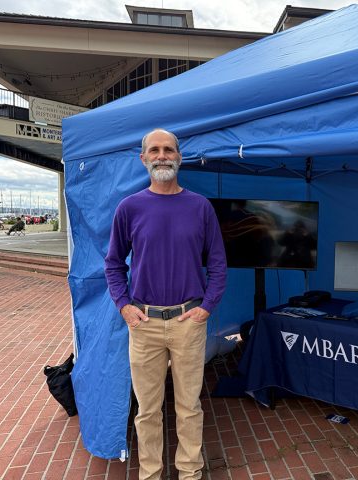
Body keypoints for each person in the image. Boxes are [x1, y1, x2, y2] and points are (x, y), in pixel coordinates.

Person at [105, 129, 227, 480]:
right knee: (147, 410)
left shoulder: (200, 207)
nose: (162, 155)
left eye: (169, 150)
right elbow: (113, 263)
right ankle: (150, 474)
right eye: (154, 150)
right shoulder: (129, 208)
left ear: (179, 157)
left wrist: (207, 307)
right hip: (144, 324)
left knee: (189, 406)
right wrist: (124, 306)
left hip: (188, 321)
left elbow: (218, 263)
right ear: (143, 159)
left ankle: (190, 472)